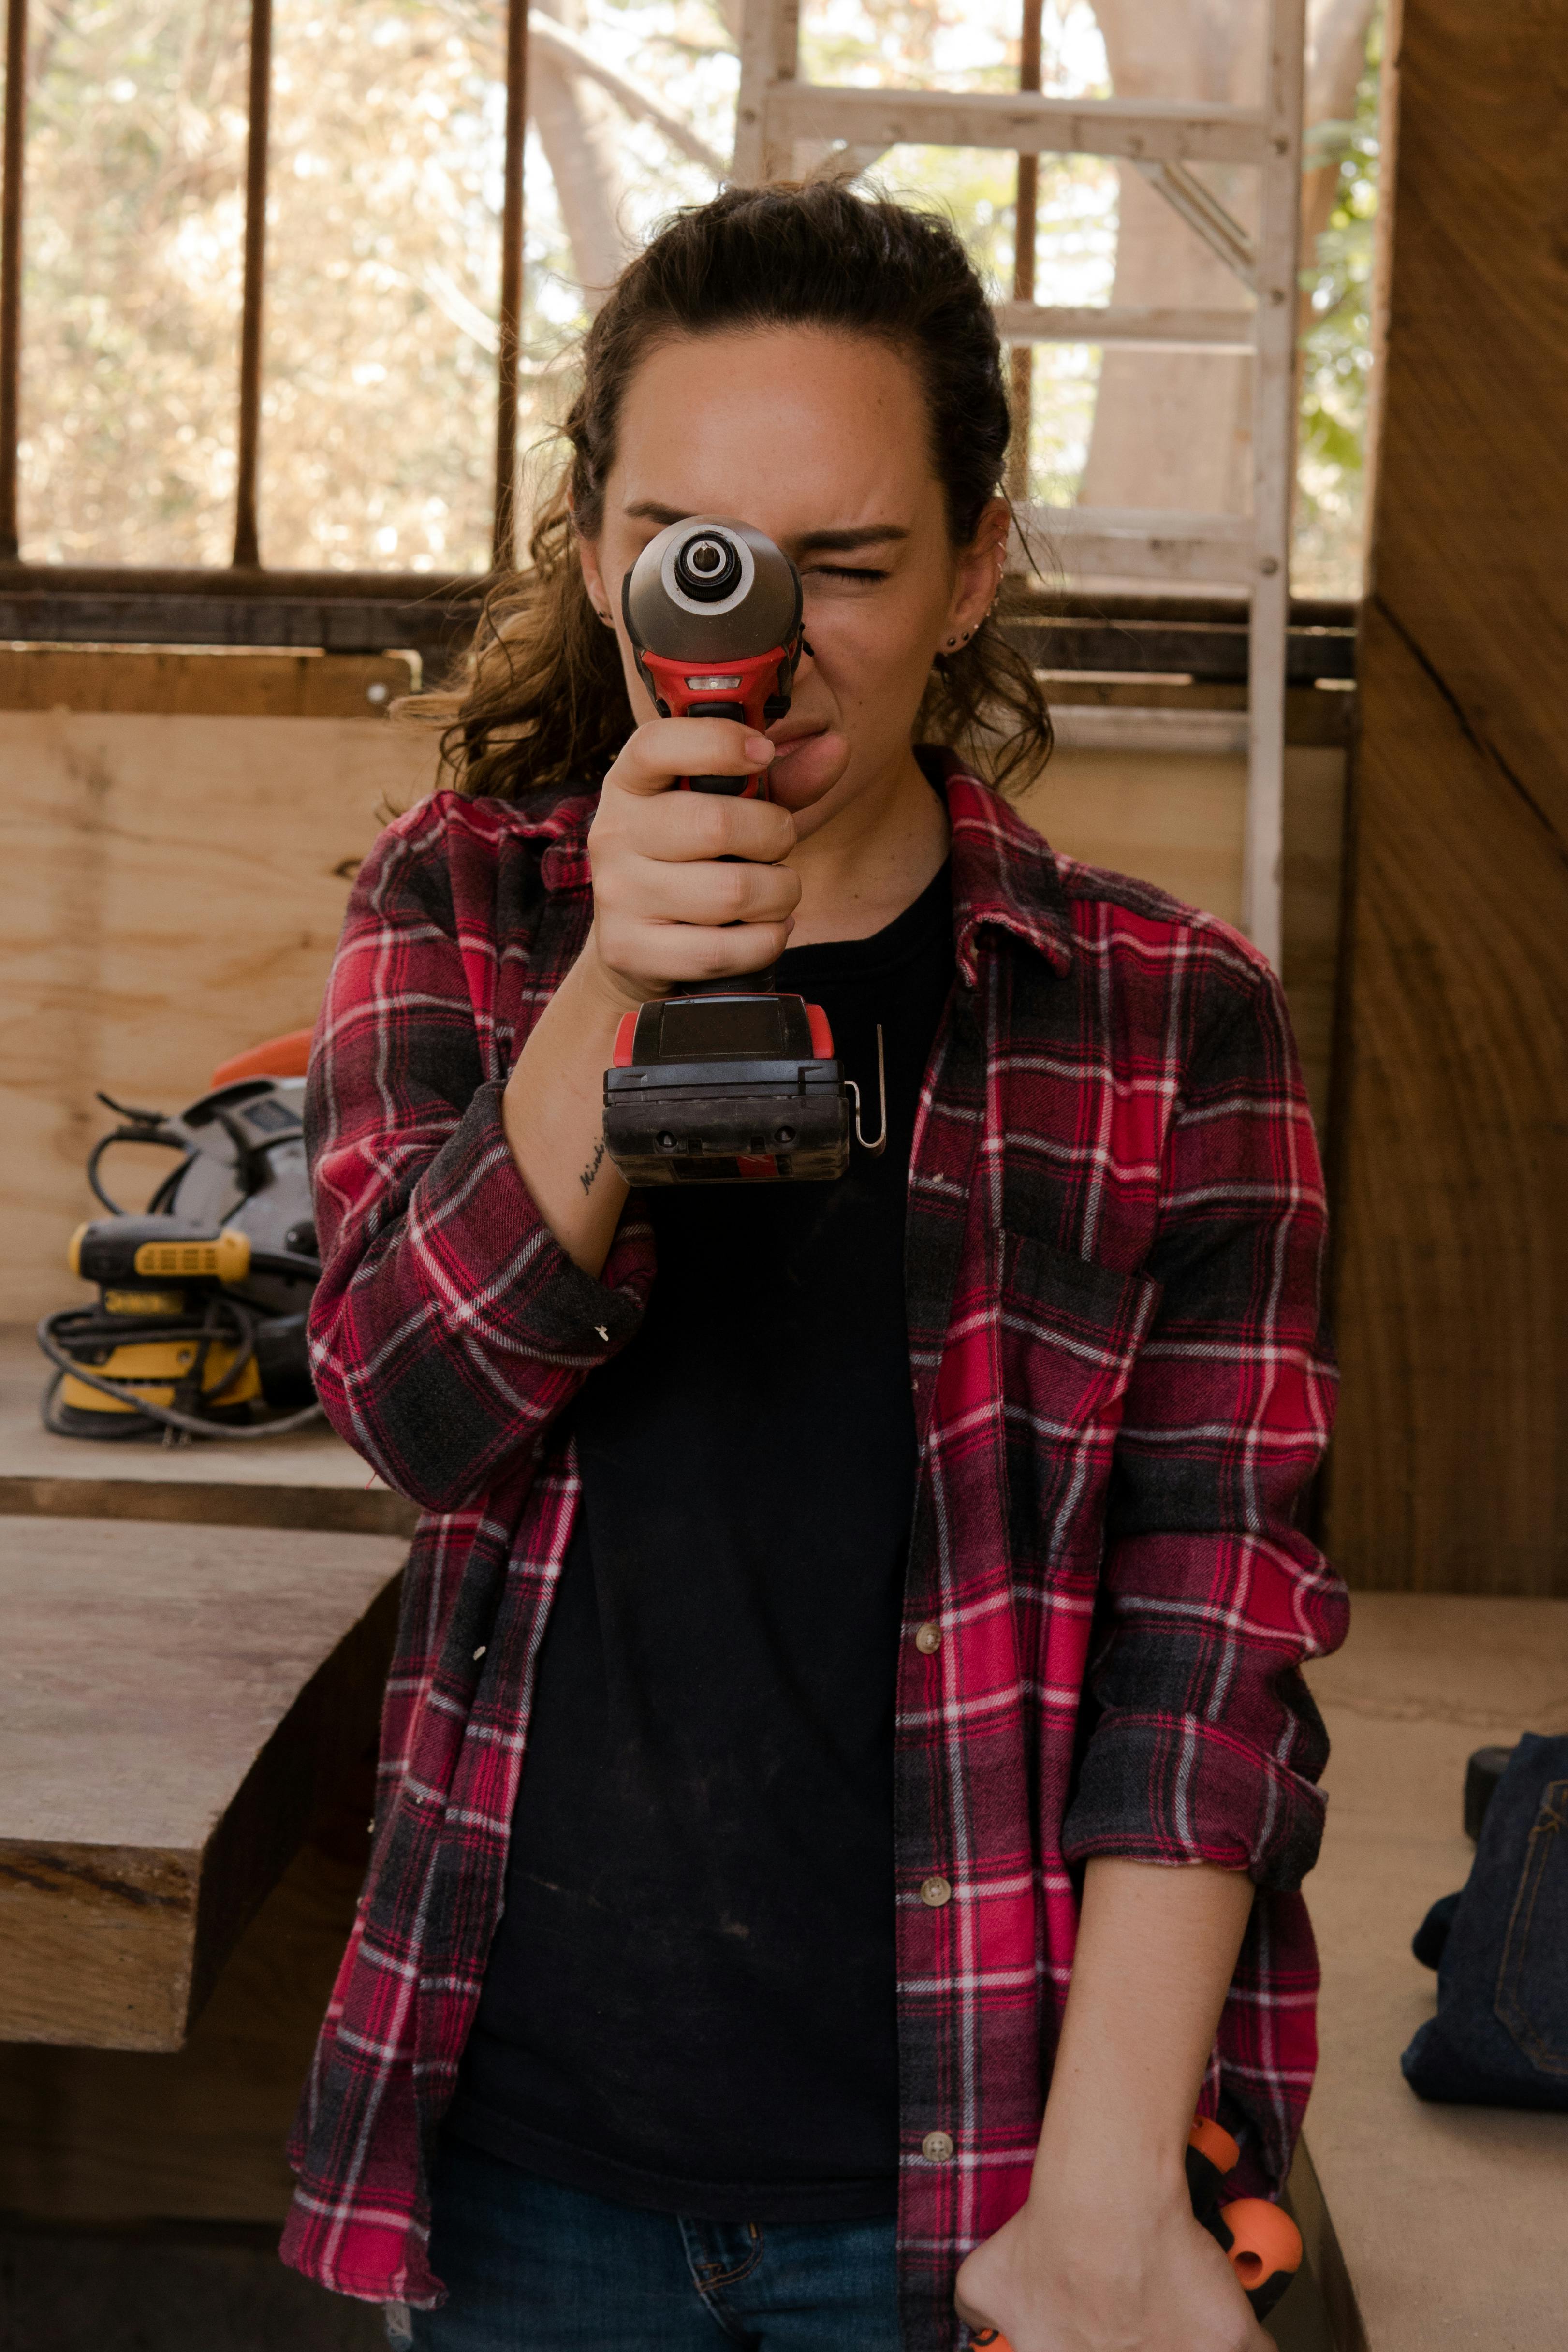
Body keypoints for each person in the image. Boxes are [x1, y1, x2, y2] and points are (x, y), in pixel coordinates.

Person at [281, 183, 1347, 2352]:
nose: (763, 634)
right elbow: (405, 1408)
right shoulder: (468, 909)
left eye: (848, 564)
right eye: (697, 548)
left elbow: (1210, 1633)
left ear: (973, 566)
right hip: (527, 2140)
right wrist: (611, 980)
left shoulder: (1165, 1013)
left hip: (981, 2151)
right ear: (599, 557)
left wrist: (1104, 2203)